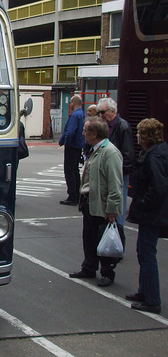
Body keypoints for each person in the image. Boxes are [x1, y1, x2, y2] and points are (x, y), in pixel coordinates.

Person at [69, 116, 123, 287]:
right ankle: (89, 267)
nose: (83, 133)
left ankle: (107, 272)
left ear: (94, 133)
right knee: (89, 237)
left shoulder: (110, 153)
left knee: (103, 238)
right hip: (90, 202)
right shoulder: (94, 150)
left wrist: (112, 208)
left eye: (86, 130)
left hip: (101, 205)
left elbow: (115, 183)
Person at [125, 118, 168, 314]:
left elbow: (158, 187)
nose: (137, 136)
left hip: (151, 214)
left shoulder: (154, 157)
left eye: (140, 133)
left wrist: (142, 203)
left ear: (147, 136)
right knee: (144, 252)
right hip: (152, 212)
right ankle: (145, 292)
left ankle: (152, 299)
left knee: (147, 253)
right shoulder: (155, 153)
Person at [96, 97, 135, 227]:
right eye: (99, 113)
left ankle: (118, 234)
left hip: (119, 173)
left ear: (112, 111)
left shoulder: (122, 126)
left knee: (118, 207)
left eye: (102, 112)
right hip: (106, 172)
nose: (100, 115)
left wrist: (121, 171)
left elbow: (127, 153)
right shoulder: (103, 126)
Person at [59, 95, 85, 206]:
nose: (70, 104)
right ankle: (77, 194)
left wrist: (66, 142)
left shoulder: (75, 115)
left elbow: (70, 132)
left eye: (70, 102)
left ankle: (72, 195)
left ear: (74, 103)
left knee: (69, 171)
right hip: (78, 146)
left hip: (72, 146)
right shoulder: (82, 114)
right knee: (75, 171)